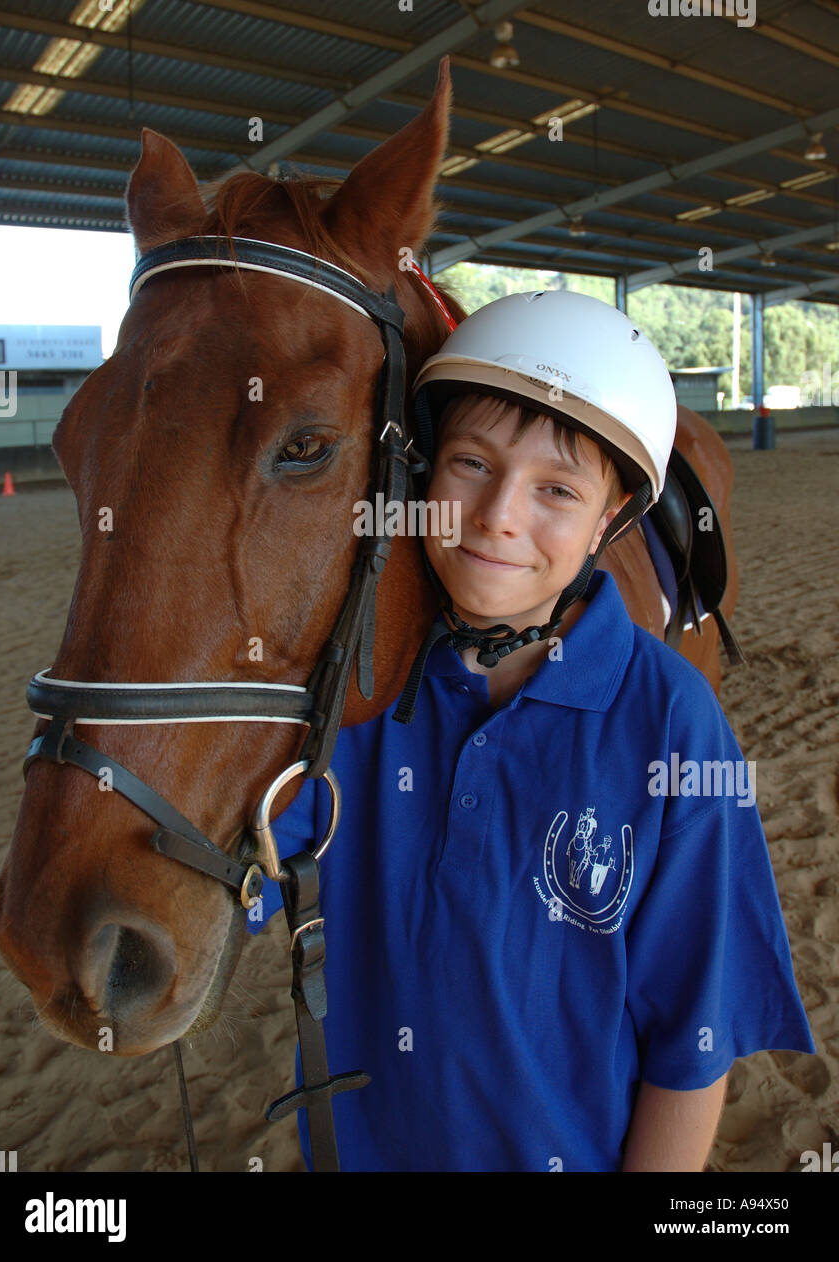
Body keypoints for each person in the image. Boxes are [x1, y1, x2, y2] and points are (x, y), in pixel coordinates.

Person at [247, 289, 815, 1172]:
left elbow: (690, 1049)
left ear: (612, 518)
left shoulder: (674, 728)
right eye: (471, 464)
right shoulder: (349, 692)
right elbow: (229, 868)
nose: (501, 515)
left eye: (557, 489)